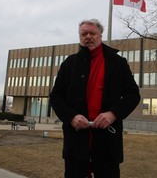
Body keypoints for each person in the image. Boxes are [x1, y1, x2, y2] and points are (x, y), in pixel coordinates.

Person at [49, 19, 140, 178]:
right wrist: (71, 117)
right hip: (76, 141)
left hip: (107, 142)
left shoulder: (118, 63)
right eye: (84, 34)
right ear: (79, 37)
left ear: (100, 35)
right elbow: (56, 96)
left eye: (92, 33)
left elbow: (133, 94)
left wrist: (113, 114)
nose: (88, 37)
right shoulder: (69, 64)